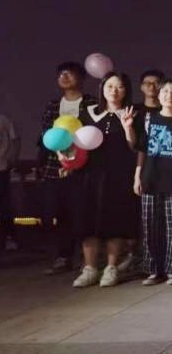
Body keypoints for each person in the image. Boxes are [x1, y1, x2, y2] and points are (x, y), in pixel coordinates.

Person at [70, 72, 140, 288]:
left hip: (119, 175)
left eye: (120, 86)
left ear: (126, 90)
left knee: (115, 220)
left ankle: (111, 268)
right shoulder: (88, 113)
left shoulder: (132, 113)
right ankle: (90, 269)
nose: (114, 91)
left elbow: (135, 147)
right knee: (89, 221)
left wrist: (128, 127)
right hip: (90, 174)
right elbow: (77, 142)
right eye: (109, 86)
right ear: (102, 88)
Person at [134, 79, 172, 286]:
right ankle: (153, 270)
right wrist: (137, 176)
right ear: (159, 95)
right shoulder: (149, 118)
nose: (170, 95)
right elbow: (142, 150)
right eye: (165, 91)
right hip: (150, 178)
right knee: (149, 227)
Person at [38, 62, 96, 274]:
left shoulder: (91, 103)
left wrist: (74, 161)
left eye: (69, 73)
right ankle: (63, 256)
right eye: (61, 74)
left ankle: (87, 258)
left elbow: (92, 134)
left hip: (85, 168)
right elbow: (47, 135)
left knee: (83, 213)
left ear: (81, 78)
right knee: (58, 213)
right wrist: (62, 158)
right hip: (56, 167)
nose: (64, 77)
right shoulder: (53, 106)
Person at [0, 111, 20, 251]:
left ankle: (8, 238)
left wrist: (12, 158)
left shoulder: (3, 120)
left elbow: (15, 139)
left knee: (3, 206)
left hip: (1, 168)